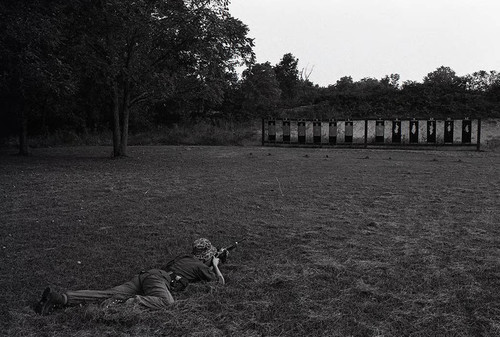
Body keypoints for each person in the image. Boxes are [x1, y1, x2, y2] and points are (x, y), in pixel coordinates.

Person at [34, 238, 224, 315]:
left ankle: (61, 298)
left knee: (106, 293)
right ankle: (130, 302)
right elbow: (220, 282)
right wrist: (215, 265)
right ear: (207, 256)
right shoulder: (201, 266)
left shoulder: (184, 257)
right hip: (158, 281)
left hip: (147, 275)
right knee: (167, 303)